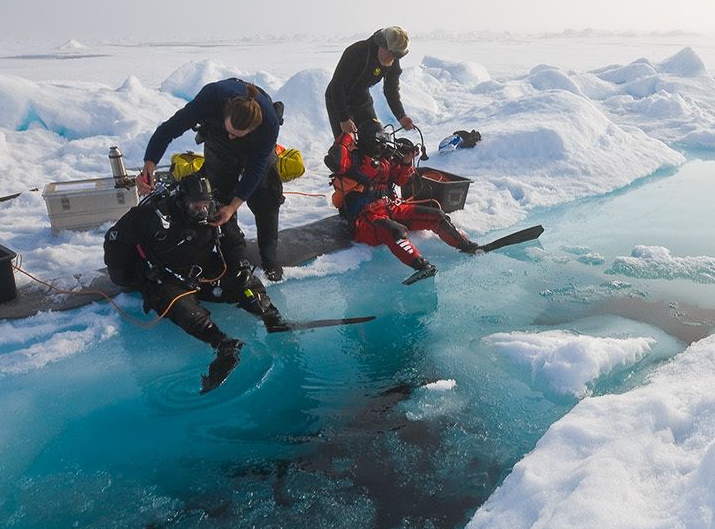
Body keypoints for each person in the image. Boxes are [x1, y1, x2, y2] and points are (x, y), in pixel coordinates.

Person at [105, 174, 291, 393]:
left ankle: (269, 315)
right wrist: (130, 275)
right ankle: (222, 343)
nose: (202, 211)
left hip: (202, 269)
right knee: (180, 305)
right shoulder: (151, 215)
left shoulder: (217, 211)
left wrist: (238, 264)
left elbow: (234, 241)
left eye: (206, 205)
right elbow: (114, 239)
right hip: (166, 274)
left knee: (244, 280)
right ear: (182, 201)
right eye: (196, 206)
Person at [136, 78, 288, 280]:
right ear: (225, 113)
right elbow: (168, 130)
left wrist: (236, 204)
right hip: (217, 141)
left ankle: (269, 260)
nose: (233, 137)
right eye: (231, 131)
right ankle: (232, 258)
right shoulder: (210, 98)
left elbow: (256, 169)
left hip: (255, 149)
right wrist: (150, 164)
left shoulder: (268, 122)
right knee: (219, 198)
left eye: (238, 135)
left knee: (266, 198)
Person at [328, 128, 480, 283]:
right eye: (378, 142)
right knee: (395, 231)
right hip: (365, 219)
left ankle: (467, 246)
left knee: (436, 215)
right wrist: (348, 134)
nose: (382, 146)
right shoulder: (353, 159)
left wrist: (407, 163)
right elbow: (335, 158)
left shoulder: (386, 159)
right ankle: (421, 266)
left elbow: (403, 181)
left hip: (391, 208)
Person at [325, 26, 415, 143]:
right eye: (392, 54)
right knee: (346, 145)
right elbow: (337, 86)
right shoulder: (357, 52)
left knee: (376, 138)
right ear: (382, 45)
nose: (393, 58)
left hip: (361, 98)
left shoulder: (393, 58)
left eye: (398, 56)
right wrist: (344, 118)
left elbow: (391, 90)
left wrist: (401, 115)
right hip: (338, 98)